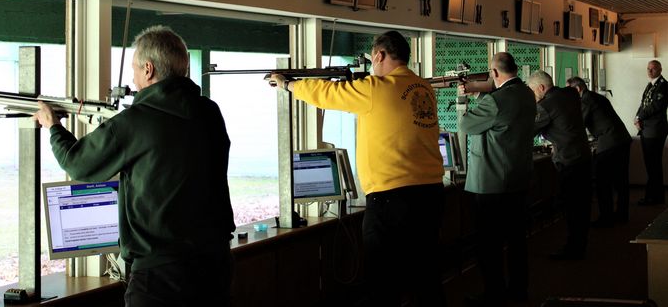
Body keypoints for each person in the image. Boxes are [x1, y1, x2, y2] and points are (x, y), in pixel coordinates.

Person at [34, 26, 235, 307]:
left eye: (135, 70)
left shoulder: (135, 121)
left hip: (160, 275)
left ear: (149, 69)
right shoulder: (210, 112)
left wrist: (53, 127)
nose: (133, 78)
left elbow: (77, 164)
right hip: (215, 266)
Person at [268, 31, 445, 307]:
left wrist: (288, 85)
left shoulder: (376, 88)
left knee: (382, 281)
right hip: (430, 195)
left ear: (379, 55)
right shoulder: (423, 88)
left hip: (391, 199)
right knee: (424, 275)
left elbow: (326, 94)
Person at [459, 52, 535, 307]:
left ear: (493, 73)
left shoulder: (495, 101)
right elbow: (500, 117)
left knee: (489, 245)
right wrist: (481, 95)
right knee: (515, 241)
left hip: (491, 184)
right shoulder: (526, 93)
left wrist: (464, 97)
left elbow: (467, 125)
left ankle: (494, 293)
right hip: (518, 178)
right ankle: (518, 290)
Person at [528, 70, 591, 261]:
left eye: (532, 91)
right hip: (583, 156)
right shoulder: (570, 94)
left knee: (572, 208)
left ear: (541, 87)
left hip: (569, 160)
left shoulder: (546, 105)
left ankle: (573, 250)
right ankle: (579, 246)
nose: (533, 96)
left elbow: (529, 130)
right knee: (581, 207)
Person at [567, 76, 632, 226]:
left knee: (603, 181)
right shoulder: (597, 97)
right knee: (621, 181)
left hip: (610, 143)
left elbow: (578, 124)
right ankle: (622, 215)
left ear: (577, 89)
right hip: (621, 139)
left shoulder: (586, 100)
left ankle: (606, 217)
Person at [634, 60, 668, 205]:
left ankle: (654, 197)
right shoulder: (651, 85)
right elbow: (643, 104)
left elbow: (655, 106)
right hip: (647, 130)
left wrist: (640, 117)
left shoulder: (663, 86)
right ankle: (654, 196)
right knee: (651, 165)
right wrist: (637, 117)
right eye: (648, 68)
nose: (650, 71)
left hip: (655, 130)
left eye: (653, 69)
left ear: (660, 70)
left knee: (653, 165)